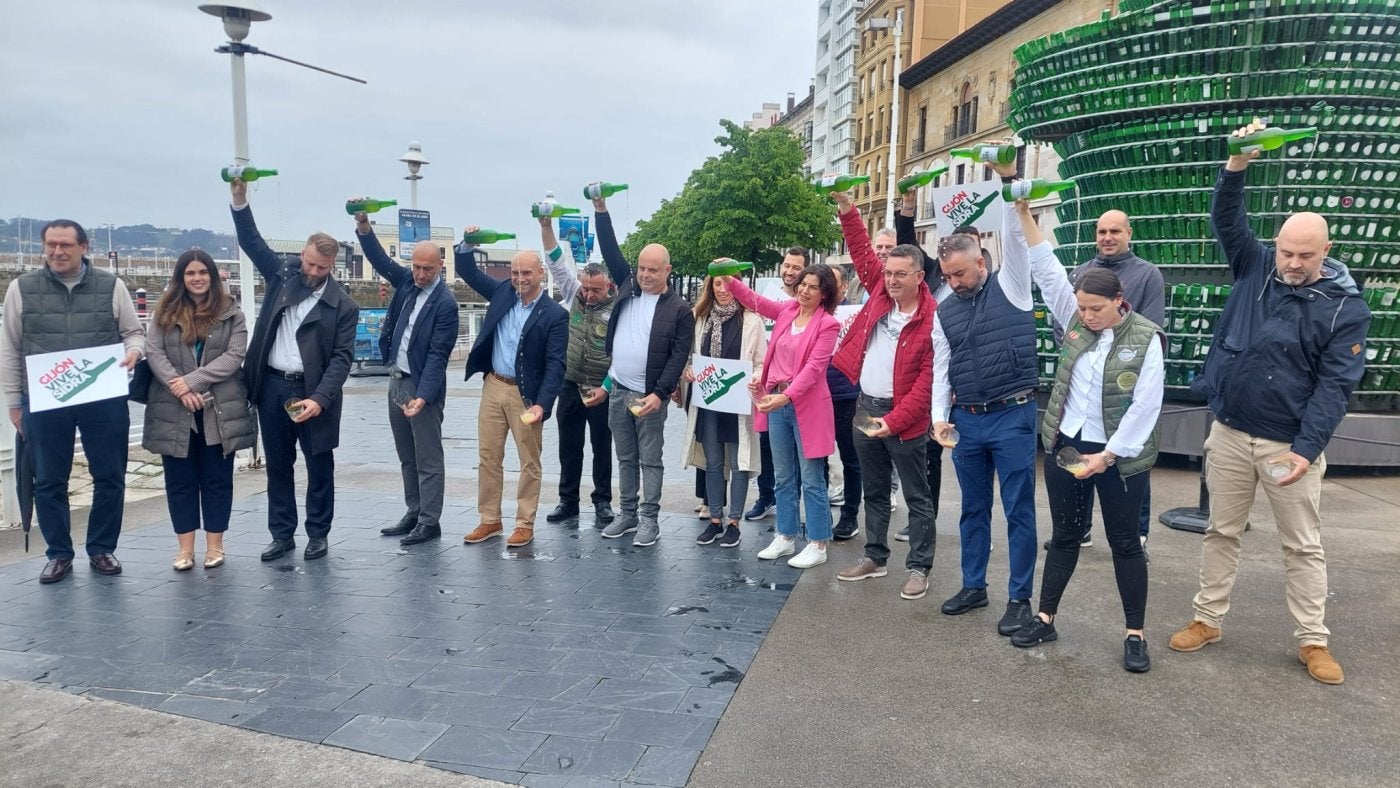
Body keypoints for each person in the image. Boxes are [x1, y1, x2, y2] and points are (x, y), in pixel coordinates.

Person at [1167, 121, 1371, 686]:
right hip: (1230, 431)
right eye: (1286, 250)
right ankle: (1207, 620)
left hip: (1288, 444)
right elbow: (1227, 221)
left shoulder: (1344, 308)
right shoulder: (1255, 266)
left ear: (1326, 251)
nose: (1293, 262)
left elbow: (1336, 385)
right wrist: (1237, 163)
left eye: (1305, 254)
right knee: (1221, 531)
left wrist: (1306, 451)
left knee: (1301, 545)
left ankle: (1312, 640)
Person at [1005, 200, 1164, 673]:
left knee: (1125, 543)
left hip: (1120, 458)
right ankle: (1045, 616)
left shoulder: (1146, 338)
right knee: (1065, 536)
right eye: (1081, 308)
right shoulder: (1075, 316)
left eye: (1096, 309)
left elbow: (1146, 406)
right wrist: (1023, 212)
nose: (1087, 317)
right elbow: (1046, 266)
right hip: (1069, 448)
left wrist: (1109, 456)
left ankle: (1134, 634)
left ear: (1120, 301)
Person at [930, 150, 1040, 633]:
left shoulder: (1013, 285)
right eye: (947, 276)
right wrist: (939, 417)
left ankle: (1020, 597)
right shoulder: (944, 306)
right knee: (972, 507)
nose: (953, 283)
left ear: (980, 261)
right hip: (968, 419)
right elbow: (941, 365)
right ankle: (974, 585)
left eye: (960, 274)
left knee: (1019, 509)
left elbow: (1018, 240)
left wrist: (1010, 181)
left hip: (1013, 413)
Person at [0, 219, 144, 583]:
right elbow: (10, 348)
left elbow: (133, 332)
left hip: (103, 398)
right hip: (44, 399)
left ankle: (101, 548)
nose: (57, 252)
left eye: (65, 245)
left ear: (84, 246)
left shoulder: (112, 286)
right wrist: (14, 402)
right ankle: (59, 553)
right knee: (48, 479)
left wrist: (135, 352)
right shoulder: (21, 289)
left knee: (110, 475)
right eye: (51, 245)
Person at [231, 178, 358, 562]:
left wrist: (320, 399)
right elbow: (252, 243)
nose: (311, 270)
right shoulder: (282, 274)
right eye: (307, 261)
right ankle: (282, 534)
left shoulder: (344, 306)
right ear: (301, 254)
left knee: (320, 465)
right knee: (278, 466)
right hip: (272, 386)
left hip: (313, 391)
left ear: (331, 265)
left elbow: (342, 358)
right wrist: (239, 200)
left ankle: (318, 534)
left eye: (320, 266)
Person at [830, 190, 938, 601]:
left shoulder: (931, 321)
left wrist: (891, 423)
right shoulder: (878, 294)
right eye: (888, 272)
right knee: (874, 489)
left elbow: (927, 387)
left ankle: (919, 567)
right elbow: (859, 249)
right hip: (866, 407)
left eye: (900, 274)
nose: (890, 279)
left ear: (919, 277)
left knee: (916, 495)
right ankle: (875, 556)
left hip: (903, 418)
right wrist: (846, 208)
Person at [1046, 208, 1166, 555]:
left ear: (1129, 233)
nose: (1107, 237)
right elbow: (1066, 320)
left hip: (1124, 375)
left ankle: (1136, 534)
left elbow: (1150, 325)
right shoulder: (1082, 271)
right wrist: (1078, 346)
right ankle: (1078, 529)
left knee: (1131, 459)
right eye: (1101, 231)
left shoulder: (1148, 275)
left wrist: (1117, 345)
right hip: (1087, 373)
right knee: (1079, 457)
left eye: (1115, 231)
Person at [142, 250, 256, 570]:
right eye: (190, 272)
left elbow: (234, 356)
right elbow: (154, 351)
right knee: (180, 481)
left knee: (217, 479)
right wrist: (177, 387)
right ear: (181, 277)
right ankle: (184, 548)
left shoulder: (231, 313)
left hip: (218, 408)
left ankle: (215, 546)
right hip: (173, 408)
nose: (197, 278)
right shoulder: (164, 312)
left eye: (203, 272)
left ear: (213, 276)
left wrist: (191, 382)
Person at [591, 192, 693, 548]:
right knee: (625, 457)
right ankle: (628, 514)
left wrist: (659, 394)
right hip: (619, 390)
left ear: (667, 270)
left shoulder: (679, 309)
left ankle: (650, 519)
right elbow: (609, 250)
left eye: (653, 269)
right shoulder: (628, 287)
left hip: (650, 396)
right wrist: (601, 210)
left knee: (651, 460)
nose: (646, 275)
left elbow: (678, 357)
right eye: (642, 268)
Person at [456, 227, 568, 548]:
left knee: (529, 461)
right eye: (516, 272)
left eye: (527, 272)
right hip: (493, 385)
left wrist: (542, 404)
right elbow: (466, 269)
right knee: (489, 456)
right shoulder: (502, 292)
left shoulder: (555, 315)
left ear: (541, 274)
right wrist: (468, 242)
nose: (520, 278)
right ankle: (489, 520)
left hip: (526, 395)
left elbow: (556, 365)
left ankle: (524, 523)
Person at [724, 265, 841, 569]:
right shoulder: (788, 311)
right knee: (783, 475)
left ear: (824, 293)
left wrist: (786, 396)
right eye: (803, 284)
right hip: (776, 403)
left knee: (812, 478)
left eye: (813, 287)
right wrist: (730, 279)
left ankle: (818, 542)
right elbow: (757, 302)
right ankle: (785, 536)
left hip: (805, 405)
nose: (804, 290)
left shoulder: (828, 325)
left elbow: (814, 369)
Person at [355, 211, 459, 547]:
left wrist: (424, 397)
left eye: (428, 269)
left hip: (421, 386)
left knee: (428, 457)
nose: (420, 274)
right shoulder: (407, 284)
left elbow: (437, 356)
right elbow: (379, 260)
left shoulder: (446, 304)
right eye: (416, 267)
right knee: (406, 454)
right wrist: (364, 228)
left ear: (440, 267)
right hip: (397, 381)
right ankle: (414, 511)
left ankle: (430, 521)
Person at [540, 207, 616, 526]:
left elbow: (625, 353)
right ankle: (568, 500)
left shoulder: (620, 306)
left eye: (595, 289)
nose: (589, 294)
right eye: (586, 288)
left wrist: (607, 387)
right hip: (570, 385)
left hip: (602, 387)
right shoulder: (574, 295)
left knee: (602, 447)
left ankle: (602, 501)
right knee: (569, 447)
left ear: (609, 286)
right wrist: (545, 224)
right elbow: (555, 260)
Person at [678, 274, 766, 548]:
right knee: (713, 463)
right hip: (709, 401)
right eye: (717, 284)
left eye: (729, 283)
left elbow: (762, 361)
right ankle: (715, 519)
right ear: (710, 287)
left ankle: (734, 523)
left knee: (739, 462)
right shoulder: (700, 319)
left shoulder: (752, 320)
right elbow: (690, 357)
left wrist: (755, 377)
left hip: (738, 404)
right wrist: (689, 370)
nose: (723, 289)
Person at [745, 246, 810, 521]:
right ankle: (767, 497)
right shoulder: (768, 294)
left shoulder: (807, 304)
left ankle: (793, 505)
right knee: (766, 445)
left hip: (795, 389)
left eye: (797, 267)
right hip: (765, 383)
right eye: (787, 265)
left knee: (798, 454)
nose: (790, 271)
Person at [824, 265, 862, 540]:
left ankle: (850, 514)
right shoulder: (814, 312)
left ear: (844, 288)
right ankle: (820, 514)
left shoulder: (856, 314)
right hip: (816, 395)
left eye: (832, 283)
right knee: (818, 457)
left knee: (851, 458)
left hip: (847, 394)